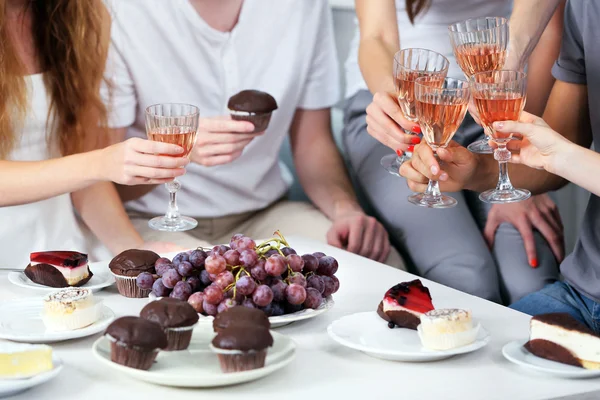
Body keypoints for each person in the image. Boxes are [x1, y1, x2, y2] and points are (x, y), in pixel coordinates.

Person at [104, 0, 404, 267]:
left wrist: (345, 210)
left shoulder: (304, 7)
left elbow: (312, 142)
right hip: (151, 219)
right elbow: (102, 180)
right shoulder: (119, 11)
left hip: (264, 215)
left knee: (380, 266)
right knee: (220, 291)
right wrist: (179, 155)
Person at [341, 0, 564, 304]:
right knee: (466, 278)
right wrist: (403, 105)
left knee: (530, 283)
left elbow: (548, 30)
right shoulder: (399, 103)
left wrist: (516, 157)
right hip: (395, 100)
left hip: (497, 102)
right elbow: (377, 36)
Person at [401, 0, 599, 331]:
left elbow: (565, 155)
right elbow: (554, 155)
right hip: (583, 294)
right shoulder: (585, 7)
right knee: (464, 355)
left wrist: (564, 156)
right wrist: (475, 172)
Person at [0, 0, 187, 266]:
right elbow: (90, 166)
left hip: (62, 257)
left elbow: (85, 174)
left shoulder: (83, 16)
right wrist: (101, 162)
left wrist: (136, 252)